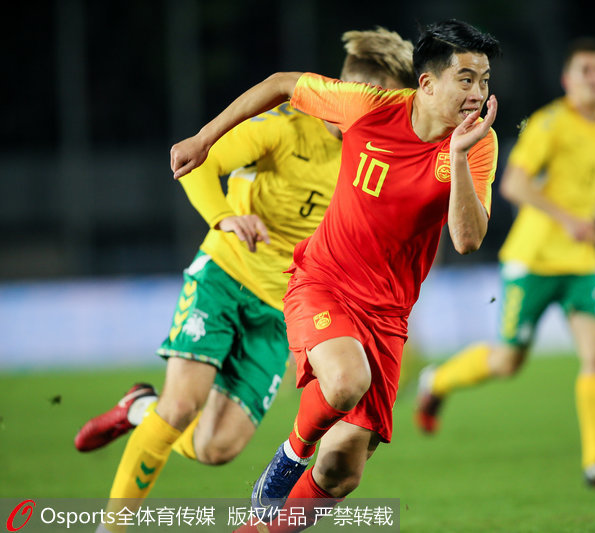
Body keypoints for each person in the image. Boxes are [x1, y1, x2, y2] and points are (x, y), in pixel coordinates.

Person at [77, 28, 416, 533]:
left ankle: (136, 409)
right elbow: (198, 161)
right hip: (224, 275)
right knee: (181, 406)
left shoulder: (377, 152)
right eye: (363, 100)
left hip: (285, 304)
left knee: (217, 448)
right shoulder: (283, 128)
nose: (367, 111)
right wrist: (223, 218)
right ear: (343, 92)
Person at [170, 19, 500, 533]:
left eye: (484, 81)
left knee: (342, 470)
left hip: (389, 314)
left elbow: (467, 238)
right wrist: (204, 140)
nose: (478, 93)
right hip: (324, 282)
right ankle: (286, 458)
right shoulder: (369, 105)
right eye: (466, 79)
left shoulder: (477, 144)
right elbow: (282, 83)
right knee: (346, 381)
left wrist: (458, 156)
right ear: (428, 84)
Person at [415, 36, 595, 488]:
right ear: (568, 79)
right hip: (533, 259)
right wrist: (568, 221)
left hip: (580, 264)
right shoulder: (549, 124)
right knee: (507, 362)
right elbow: (515, 185)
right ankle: (436, 381)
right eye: (587, 71)